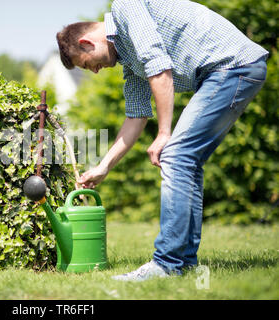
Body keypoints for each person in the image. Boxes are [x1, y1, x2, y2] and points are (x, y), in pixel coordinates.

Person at [56, 0, 268, 281]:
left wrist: (164, 134)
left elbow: (159, 67)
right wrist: (104, 166)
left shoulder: (126, 8)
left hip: (231, 66)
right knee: (186, 161)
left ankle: (166, 264)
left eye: (88, 65)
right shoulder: (129, 60)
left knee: (176, 155)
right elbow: (136, 116)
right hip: (226, 71)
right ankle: (184, 262)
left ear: (87, 42)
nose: (95, 72)